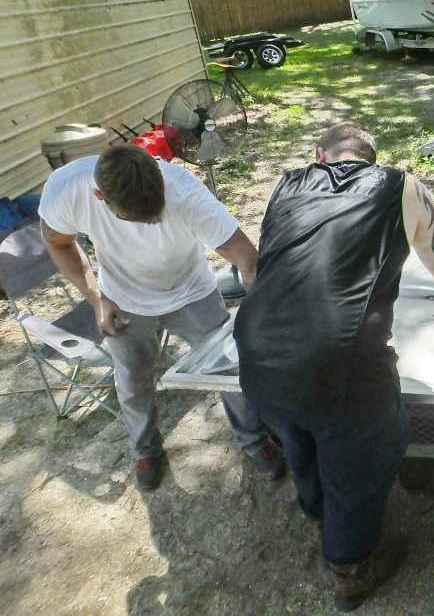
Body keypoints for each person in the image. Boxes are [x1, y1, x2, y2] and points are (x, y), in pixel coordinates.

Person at [234, 122, 434, 612]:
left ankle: (317, 509)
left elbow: (269, 264)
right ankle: (351, 568)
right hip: (343, 363)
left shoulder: (287, 183)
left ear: (321, 155)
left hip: (256, 353)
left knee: (298, 433)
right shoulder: (403, 186)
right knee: (364, 452)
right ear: (371, 160)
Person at [38, 144, 285, 491]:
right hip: (122, 299)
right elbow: (59, 243)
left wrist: (263, 312)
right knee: (133, 378)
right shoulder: (67, 191)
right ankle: (146, 449)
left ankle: (254, 440)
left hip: (192, 291)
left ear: (160, 178)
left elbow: (246, 258)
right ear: (99, 195)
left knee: (230, 367)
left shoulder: (183, 191)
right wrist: (97, 299)